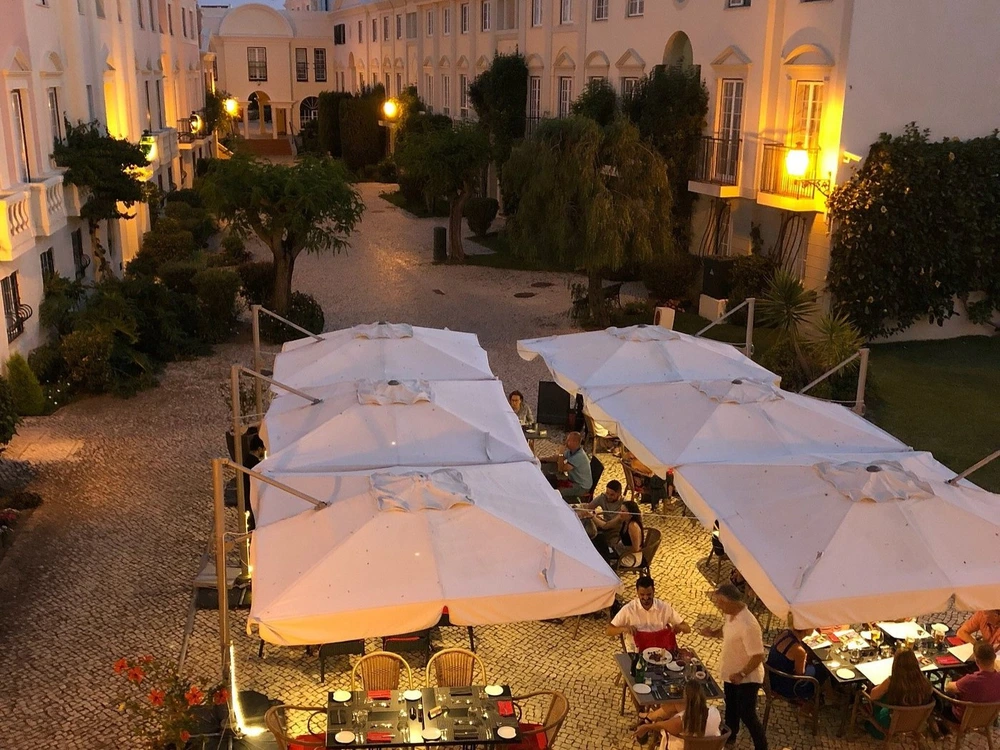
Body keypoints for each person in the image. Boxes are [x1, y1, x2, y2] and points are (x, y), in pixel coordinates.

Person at [699, 584, 768, 750]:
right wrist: (713, 633)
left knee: (747, 714)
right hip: (731, 673)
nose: (718, 606)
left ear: (729, 601)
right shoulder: (730, 615)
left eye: (720, 603)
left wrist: (742, 673)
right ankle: (730, 737)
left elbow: (758, 655)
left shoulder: (749, 625)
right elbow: (726, 630)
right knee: (731, 706)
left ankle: (762, 746)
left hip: (747, 678)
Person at [607, 575, 691, 653]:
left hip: (660, 650)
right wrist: (623, 629)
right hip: (636, 651)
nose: (646, 598)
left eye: (649, 594)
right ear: (637, 592)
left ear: (654, 591)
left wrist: (679, 627)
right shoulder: (629, 609)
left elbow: (687, 629)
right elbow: (609, 631)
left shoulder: (664, 608)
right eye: (642, 595)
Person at [865, 648, 933, 738]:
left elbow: (873, 696)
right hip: (915, 721)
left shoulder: (892, 681)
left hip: (893, 720)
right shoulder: (925, 682)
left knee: (881, 696)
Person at [634, 681, 722, 750]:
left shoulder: (681, 721)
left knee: (667, 716)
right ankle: (648, 717)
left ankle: (648, 718)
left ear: (686, 698)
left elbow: (659, 725)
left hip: (681, 747)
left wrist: (646, 727)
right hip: (708, 748)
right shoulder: (715, 713)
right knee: (676, 705)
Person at [942, 641, 1000, 723]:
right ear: (994, 657)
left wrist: (956, 682)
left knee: (936, 695)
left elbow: (948, 688)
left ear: (976, 660)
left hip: (962, 718)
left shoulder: (970, 680)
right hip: (988, 719)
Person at [765, 628, 821, 700]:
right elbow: (800, 674)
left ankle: (829, 695)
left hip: (770, 676)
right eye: (813, 627)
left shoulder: (785, 633)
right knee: (821, 671)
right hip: (784, 686)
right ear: (806, 629)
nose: (815, 629)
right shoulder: (799, 651)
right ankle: (809, 703)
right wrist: (805, 659)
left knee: (815, 667)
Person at [540, 431, 592, 501]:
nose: (566, 442)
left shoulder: (579, 456)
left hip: (581, 486)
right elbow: (557, 458)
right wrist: (541, 459)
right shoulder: (572, 451)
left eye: (568, 440)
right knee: (550, 478)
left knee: (557, 493)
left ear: (575, 442)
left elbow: (561, 469)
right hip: (572, 480)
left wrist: (561, 453)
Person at [578, 480, 627, 545]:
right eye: (607, 493)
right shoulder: (603, 497)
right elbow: (589, 507)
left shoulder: (623, 506)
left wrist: (593, 516)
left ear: (619, 493)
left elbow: (606, 526)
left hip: (616, 532)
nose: (608, 496)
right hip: (603, 524)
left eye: (612, 495)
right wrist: (579, 507)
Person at [614, 500, 645, 568]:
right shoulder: (625, 521)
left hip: (632, 557)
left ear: (630, 514)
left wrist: (623, 552)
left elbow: (636, 548)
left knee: (609, 561)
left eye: (623, 511)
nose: (620, 513)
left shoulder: (633, 526)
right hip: (625, 550)